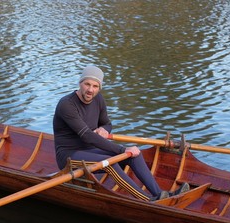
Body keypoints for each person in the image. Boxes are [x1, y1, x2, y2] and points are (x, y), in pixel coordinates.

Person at [53, 65, 189, 200]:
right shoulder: (67, 105)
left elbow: (107, 124)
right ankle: (147, 200)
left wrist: (104, 130)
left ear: (99, 88)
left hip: (91, 151)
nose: (90, 90)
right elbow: (87, 136)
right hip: (68, 156)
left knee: (133, 155)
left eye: (95, 86)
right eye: (87, 84)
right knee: (110, 162)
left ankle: (159, 194)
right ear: (80, 83)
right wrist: (122, 149)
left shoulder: (98, 99)